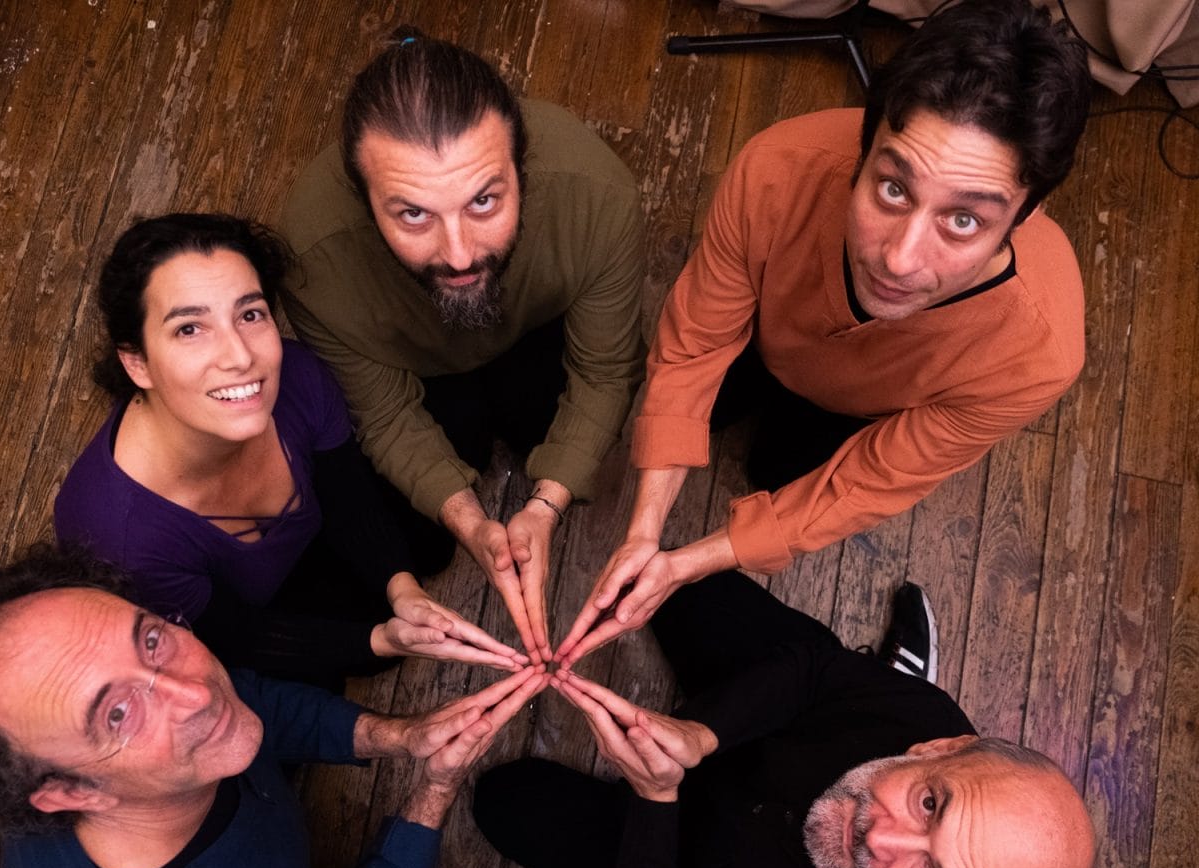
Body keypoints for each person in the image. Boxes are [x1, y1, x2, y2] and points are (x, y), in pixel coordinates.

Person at [558, 0, 1093, 666]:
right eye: (892, 189)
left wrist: (685, 564)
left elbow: (867, 480)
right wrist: (645, 531)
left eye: (963, 222)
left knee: (776, 469)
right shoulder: (776, 169)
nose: (899, 260)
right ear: (865, 149)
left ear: (1027, 211)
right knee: (691, 400)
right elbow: (697, 342)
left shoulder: (1038, 354)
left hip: (857, 412)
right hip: (757, 335)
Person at [0, 543, 548, 868]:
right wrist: (434, 788)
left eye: (151, 639)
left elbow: (251, 702)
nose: (194, 694)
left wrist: (401, 736)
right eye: (116, 712)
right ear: (71, 793)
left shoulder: (78, 756)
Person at [476, 572, 1095, 868]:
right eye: (930, 804)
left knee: (503, 804)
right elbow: (813, 676)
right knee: (678, 586)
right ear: (942, 748)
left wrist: (656, 801)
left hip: (677, 861)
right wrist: (702, 732)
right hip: (762, 730)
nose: (879, 837)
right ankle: (886, 677)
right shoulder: (925, 718)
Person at [280, 28, 646, 664]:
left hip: (536, 333)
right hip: (418, 368)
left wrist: (547, 501)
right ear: (364, 204)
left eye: (484, 200)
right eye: (413, 215)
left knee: (559, 431)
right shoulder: (314, 259)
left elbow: (606, 368)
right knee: (426, 535)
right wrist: (468, 520)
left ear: (522, 169)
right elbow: (386, 414)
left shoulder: (597, 196)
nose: (458, 254)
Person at [55, 214, 525, 690]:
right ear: (138, 362)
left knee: (441, 478)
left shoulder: (296, 375)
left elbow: (347, 494)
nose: (240, 356)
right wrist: (379, 641)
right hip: (262, 612)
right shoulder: (120, 537)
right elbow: (235, 636)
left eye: (250, 314)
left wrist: (400, 587)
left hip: (317, 543)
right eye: (190, 329)